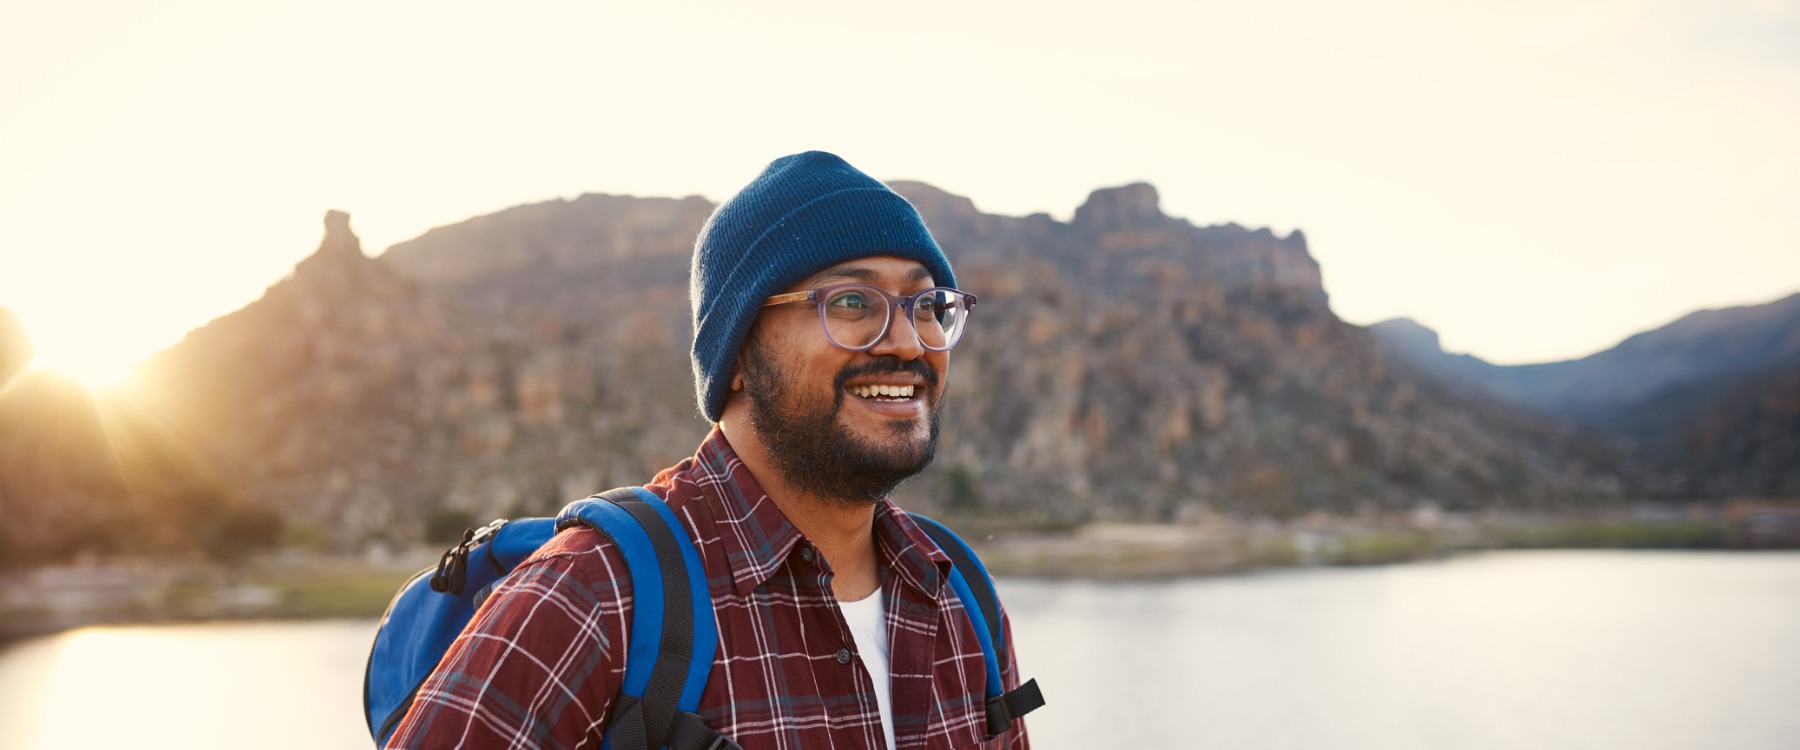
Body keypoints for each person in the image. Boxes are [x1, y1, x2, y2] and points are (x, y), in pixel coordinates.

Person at [386, 151, 1031, 749]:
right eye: (853, 302)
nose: (910, 343)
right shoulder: (591, 595)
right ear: (740, 352)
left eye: (928, 305)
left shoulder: (959, 595)